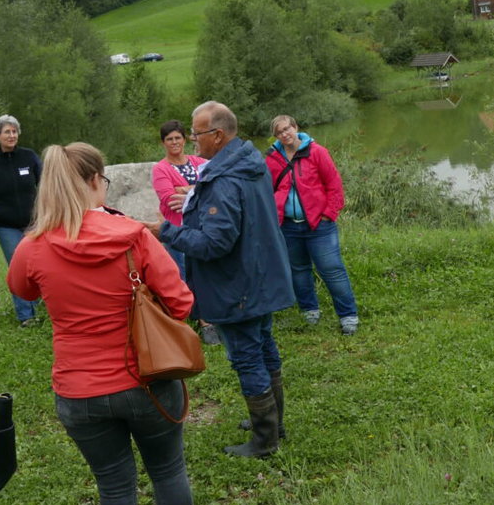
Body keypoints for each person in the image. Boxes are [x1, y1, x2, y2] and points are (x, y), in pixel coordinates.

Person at [7, 143, 206, 505]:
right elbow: (181, 303)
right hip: (148, 382)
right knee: (168, 472)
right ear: (97, 181)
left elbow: (21, 289)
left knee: (114, 487)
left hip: (80, 392)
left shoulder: (33, 246)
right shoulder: (133, 234)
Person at [158, 102, 294, 458]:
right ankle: (274, 421)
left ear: (217, 136)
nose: (191, 138)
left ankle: (265, 441)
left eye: (196, 132)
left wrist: (166, 232)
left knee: (248, 356)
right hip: (261, 275)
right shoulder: (250, 162)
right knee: (265, 345)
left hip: (238, 285)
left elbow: (214, 242)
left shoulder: (224, 179)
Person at [266, 115, 360, 336]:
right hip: (288, 226)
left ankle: (348, 316)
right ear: (276, 136)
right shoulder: (271, 159)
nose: (284, 134)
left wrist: (328, 214)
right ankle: (310, 310)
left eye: (287, 129)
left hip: (319, 226)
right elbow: (267, 190)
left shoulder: (317, 152)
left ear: (296, 127)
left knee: (332, 269)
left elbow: (334, 185)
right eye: (279, 132)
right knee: (298, 271)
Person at [150, 120, 221, 346]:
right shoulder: (160, 168)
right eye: (169, 139)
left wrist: (187, 190)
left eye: (178, 138)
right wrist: (199, 190)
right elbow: (170, 200)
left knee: (208, 273)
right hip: (178, 230)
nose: (174, 142)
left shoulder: (199, 162)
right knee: (184, 276)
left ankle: (212, 315)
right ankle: (202, 321)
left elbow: (216, 188)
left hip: (204, 228)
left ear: (184, 140)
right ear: (163, 143)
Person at [0, 114, 42, 327]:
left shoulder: (29, 157)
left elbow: (44, 185)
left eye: (14, 131)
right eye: (7, 132)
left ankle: (44, 308)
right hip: (7, 227)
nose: (11, 135)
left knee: (39, 266)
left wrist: (42, 212)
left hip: (34, 223)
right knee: (18, 268)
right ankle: (26, 316)